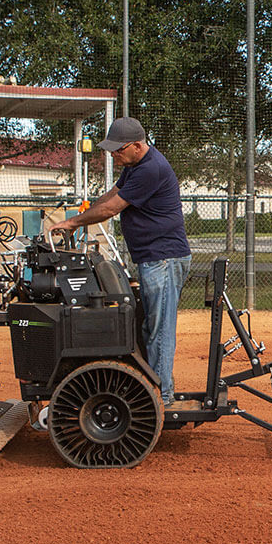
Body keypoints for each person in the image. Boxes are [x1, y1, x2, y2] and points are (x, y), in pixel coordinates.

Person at [47, 116, 192, 406]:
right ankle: (153, 390)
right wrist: (84, 213)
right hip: (153, 259)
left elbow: (112, 209)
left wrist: (72, 223)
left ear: (137, 145)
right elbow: (111, 195)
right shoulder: (135, 166)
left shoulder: (150, 168)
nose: (114, 155)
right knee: (150, 328)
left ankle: (161, 397)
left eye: (118, 149)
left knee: (160, 331)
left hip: (164, 259)